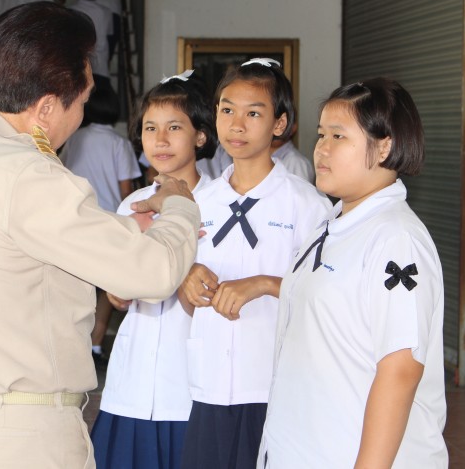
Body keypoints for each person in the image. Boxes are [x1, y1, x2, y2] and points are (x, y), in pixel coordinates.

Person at [0, 1, 200, 468]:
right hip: (19, 437)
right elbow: (152, 272)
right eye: (83, 101)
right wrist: (179, 205)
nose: (80, 116)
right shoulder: (22, 172)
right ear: (47, 107)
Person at [258, 78, 448, 468]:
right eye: (321, 135)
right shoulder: (331, 225)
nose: (322, 149)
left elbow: (400, 371)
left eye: (339, 136)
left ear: (385, 146)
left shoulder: (396, 239)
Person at [178, 59, 332, 469]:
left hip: (274, 386)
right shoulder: (198, 203)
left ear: (279, 124)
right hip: (210, 384)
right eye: (227, 110)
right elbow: (187, 301)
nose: (237, 124)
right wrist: (186, 281)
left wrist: (264, 284)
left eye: (254, 113)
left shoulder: (307, 205)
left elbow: (327, 296)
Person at [91, 70, 217, 469]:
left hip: (191, 389)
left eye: (174, 127)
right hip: (131, 385)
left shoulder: (222, 203)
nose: (160, 139)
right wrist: (121, 288)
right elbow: (117, 295)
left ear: (201, 135)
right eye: (150, 128)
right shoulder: (133, 205)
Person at [59, 78, 141, 368]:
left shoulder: (74, 138)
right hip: (110, 221)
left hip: (77, 220)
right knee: (109, 286)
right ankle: (95, 343)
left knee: (78, 285)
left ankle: (77, 344)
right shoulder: (119, 143)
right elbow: (126, 191)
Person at [69, 0, 113, 79]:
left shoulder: (69, 12)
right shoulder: (106, 12)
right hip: (101, 69)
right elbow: (109, 39)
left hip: (76, 72)